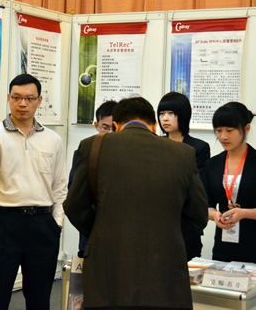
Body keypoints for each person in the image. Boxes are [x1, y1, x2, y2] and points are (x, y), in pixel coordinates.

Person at [64, 96, 208, 310]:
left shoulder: (93, 147)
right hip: (164, 270)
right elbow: (198, 216)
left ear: (116, 125)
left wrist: (101, 232)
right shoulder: (183, 153)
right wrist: (168, 236)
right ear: (154, 125)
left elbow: (74, 206)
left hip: (108, 268)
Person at [0, 73, 67, 310]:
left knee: (40, 297)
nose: (22, 103)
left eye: (29, 98)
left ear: (39, 101)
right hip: (5, 224)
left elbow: (60, 187)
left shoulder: (53, 140)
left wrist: (56, 224)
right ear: (8, 98)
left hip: (43, 225)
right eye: (16, 97)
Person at [201, 102, 256, 265]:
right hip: (224, 245)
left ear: (246, 129)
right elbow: (205, 205)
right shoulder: (213, 164)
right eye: (219, 130)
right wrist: (215, 216)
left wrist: (244, 213)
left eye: (230, 130)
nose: (223, 136)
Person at [157, 91, 210, 260]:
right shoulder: (155, 145)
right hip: (157, 223)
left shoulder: (198, 147)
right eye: (162, 114)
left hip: (186, 225)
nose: (165, 118)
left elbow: (198, 188)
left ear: (184, 115)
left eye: (171, 113)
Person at [68, 100, 116, 257]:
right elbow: (74, 194)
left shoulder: (128, 155)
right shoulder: (85, 151)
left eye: (114, 128)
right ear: (96, 125)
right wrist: (90, 226)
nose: (110, 132)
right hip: (90, 233)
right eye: (105, 127)